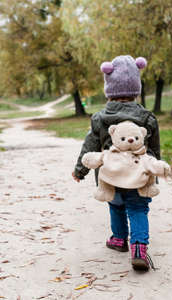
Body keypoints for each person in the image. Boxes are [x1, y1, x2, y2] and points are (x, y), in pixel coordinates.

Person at [72, 55, 161, 271]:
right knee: (138, 208)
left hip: (111, 175)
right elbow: (154, 150)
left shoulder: (100, 118)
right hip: (139, 176)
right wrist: (154, 175)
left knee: (116, 204)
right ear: (136, 88)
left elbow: (89, 147)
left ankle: (119, 239)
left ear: (109, 88)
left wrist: (80, 170)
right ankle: (139, 247)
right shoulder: (148, 118)